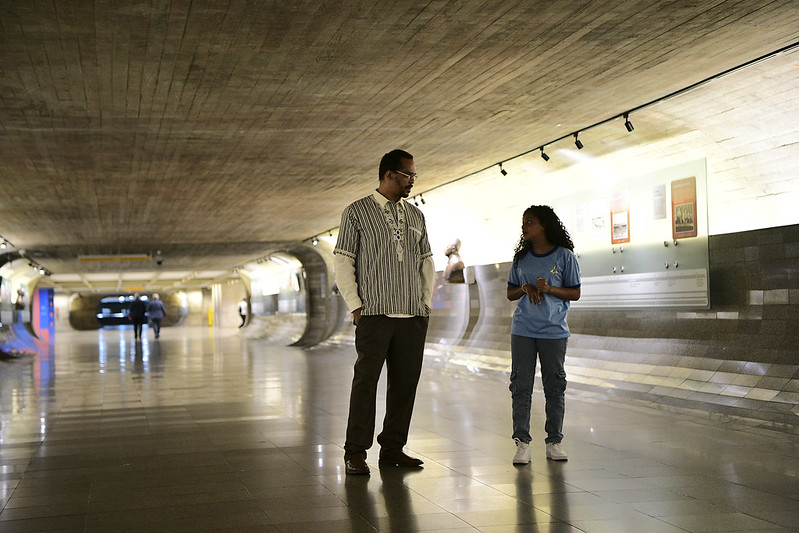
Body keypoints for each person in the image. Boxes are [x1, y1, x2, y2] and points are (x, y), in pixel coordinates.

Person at [334, 149, 435, 476]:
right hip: (374, 315)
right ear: (389, 174)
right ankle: (355, 452)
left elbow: (426, 263)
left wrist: (424, 304)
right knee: (365, 383)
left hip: (411, 317)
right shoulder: (356, 212)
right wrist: (356, 305)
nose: (412, 181)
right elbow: (343, 261)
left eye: (414, 176)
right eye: (408, 175)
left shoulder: (416, 215)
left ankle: (393, 448)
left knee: (405, 385)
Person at [506, 205, 581, 464]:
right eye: (523, 222)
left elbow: (575, 292)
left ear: (544, 226)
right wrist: (525, 287)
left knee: (555, 385)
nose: (524, 226)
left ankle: (554, 441)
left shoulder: (565, 257)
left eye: (530, 221)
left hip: (554, 331)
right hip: (523, 330)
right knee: (521, 385)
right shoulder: (521, 258)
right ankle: (522, 443)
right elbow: (510, 292)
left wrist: (549, 289)